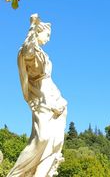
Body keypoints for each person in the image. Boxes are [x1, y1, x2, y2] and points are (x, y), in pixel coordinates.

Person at [7, 14, 67, 177]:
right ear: (38, 33)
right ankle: (17, 173)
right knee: (42, 138)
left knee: (54, 142)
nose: (48, 39)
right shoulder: (31, 52)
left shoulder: (43, 54)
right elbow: (27, 52)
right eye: (47, 35)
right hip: (42, 100)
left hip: (54, 98)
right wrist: (32, 26)